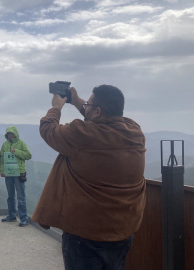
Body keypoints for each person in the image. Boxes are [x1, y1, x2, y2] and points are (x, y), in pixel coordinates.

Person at [32, 85, 146, 270]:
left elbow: (48, 130)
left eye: (89, 104)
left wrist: (56, 107)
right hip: (122, 229)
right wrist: (76, 100)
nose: (86, 106)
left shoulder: (82, 134)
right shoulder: (134, 131)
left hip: (85, 233)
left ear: (98, 110)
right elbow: (102, 116)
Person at [0, 126, 32, 227]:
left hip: (19, 173)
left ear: (15, 133)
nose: (10, 135)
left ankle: (24, 218)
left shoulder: (21, 143)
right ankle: (12, 215)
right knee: (10, 196)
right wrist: (1, 170)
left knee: (21, 197)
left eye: (11, 133)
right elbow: (2, 159)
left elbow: (28, 155)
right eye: (8, 133)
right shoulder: (4, 144)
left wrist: (17, 152)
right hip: (8, 173)